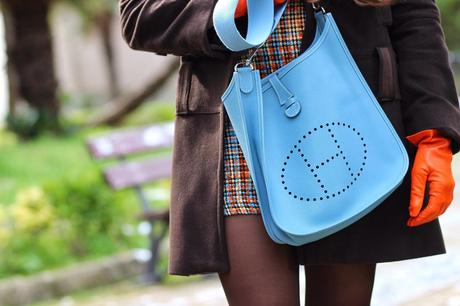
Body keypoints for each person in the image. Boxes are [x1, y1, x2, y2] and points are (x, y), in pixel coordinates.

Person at [119, 0, 460, 305]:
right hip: (235, 138)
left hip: (347, 118)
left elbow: (414, 13)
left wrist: (436, 137)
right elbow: (141, 13)